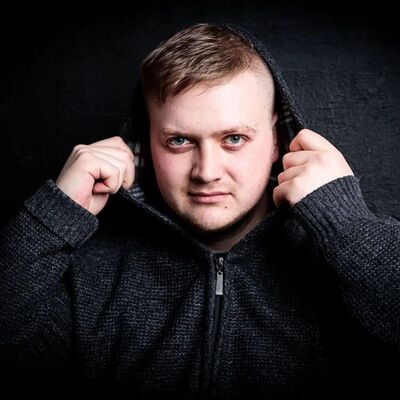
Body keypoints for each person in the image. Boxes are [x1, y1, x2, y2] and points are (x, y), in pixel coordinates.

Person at [0, 22, 399, 400]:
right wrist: (51, 219)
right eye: (179, 141)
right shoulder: (93, 276)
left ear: (277, 139)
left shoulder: (341, 265)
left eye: (234, 138)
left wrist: (347, 226)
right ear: (144, 142)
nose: (207, 172)